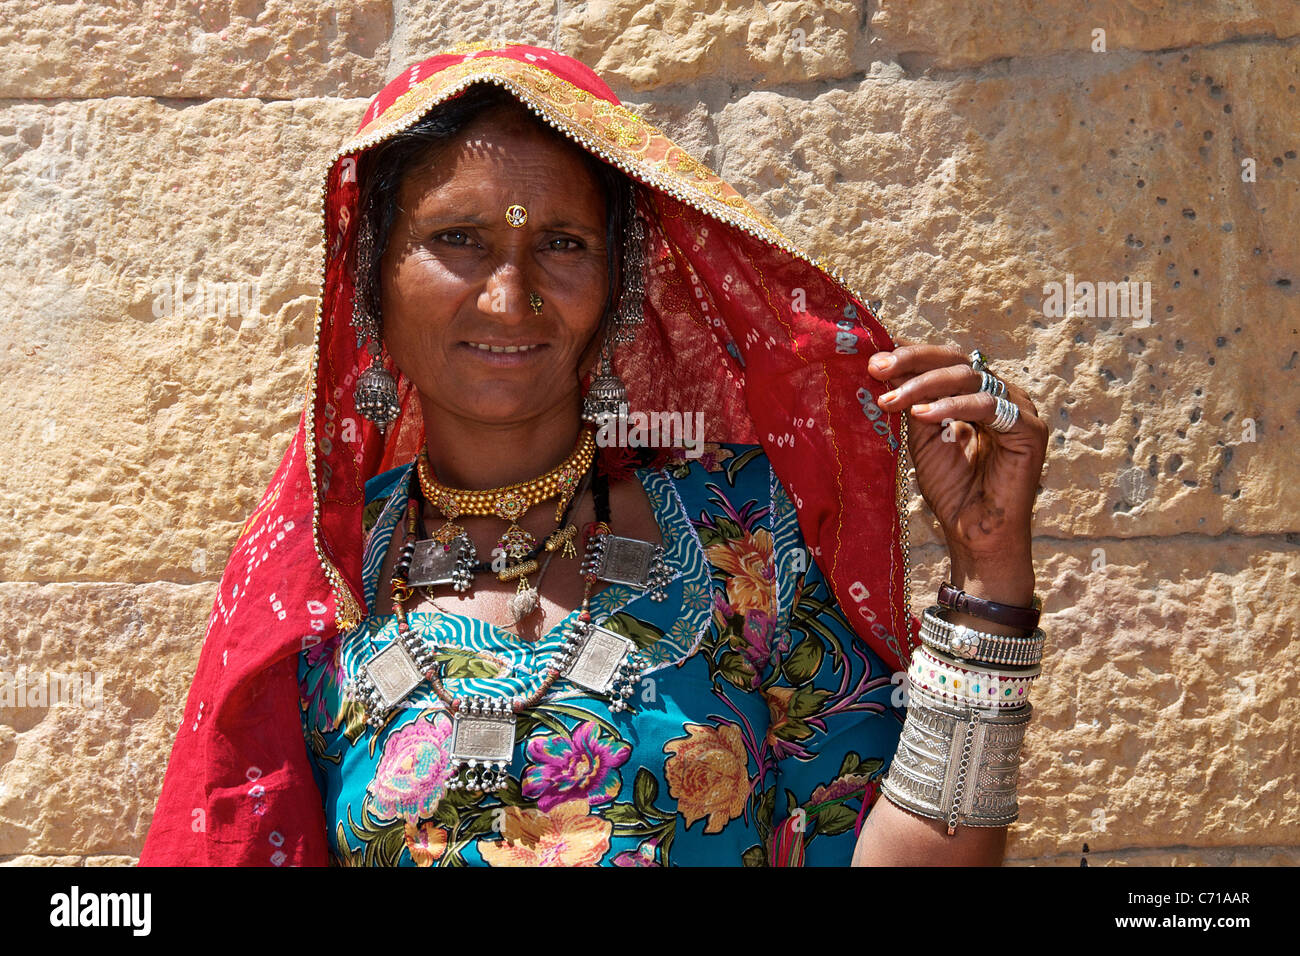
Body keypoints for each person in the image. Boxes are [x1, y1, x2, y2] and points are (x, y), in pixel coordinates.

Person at [140, 42, 1049, 867]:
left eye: (561, 245)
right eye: (458, 239)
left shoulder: (742, 531)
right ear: (371, 283)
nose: (510, 297)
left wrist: (991, 573)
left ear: (617, 291)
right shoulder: (319, 580)